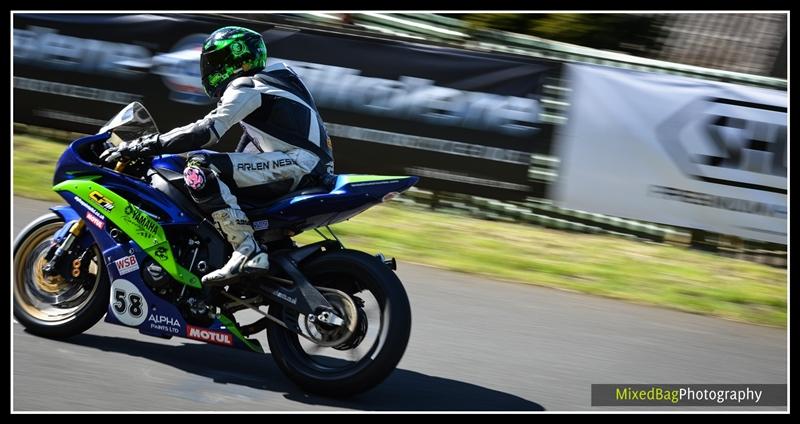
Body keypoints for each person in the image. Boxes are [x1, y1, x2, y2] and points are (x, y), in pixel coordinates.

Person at [101, 26, 334, 285]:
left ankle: (246, 249)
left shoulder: (247, 85)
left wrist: (146, 144)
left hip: (298, 165)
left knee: (199, 166)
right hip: (306, 165)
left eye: (214, 61)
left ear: (233, 61)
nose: (209, 69)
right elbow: (255, 142)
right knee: (216, 174)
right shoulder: (278, 77)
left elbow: (206, 131)